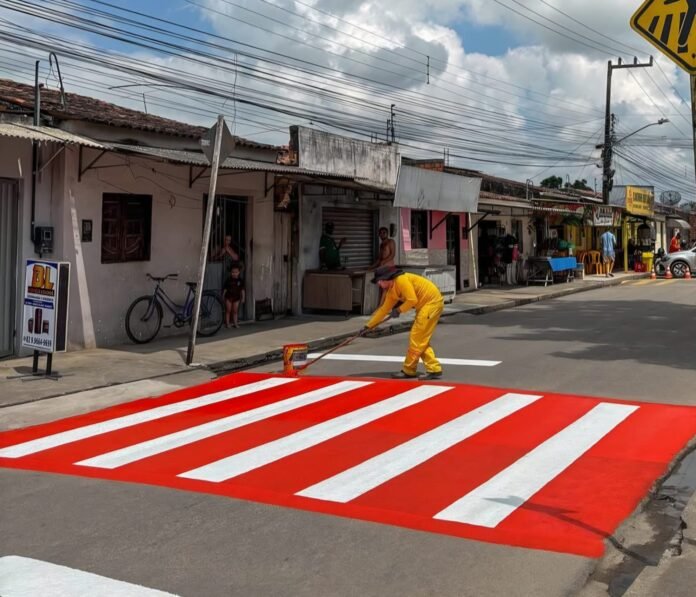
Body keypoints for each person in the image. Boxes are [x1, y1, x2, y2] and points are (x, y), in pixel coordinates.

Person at [362, 266, 444, 380]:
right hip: (425, 306)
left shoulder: (401, 280)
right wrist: (368, 326)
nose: (379, 284)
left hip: (431, 304)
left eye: (380, 281)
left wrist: (399, 310)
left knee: (416, 338)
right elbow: (383, 310)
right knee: (420, 339)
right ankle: (433, 368)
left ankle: (409, 370)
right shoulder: (392, 291)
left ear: (387, 279)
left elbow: (412, 300)